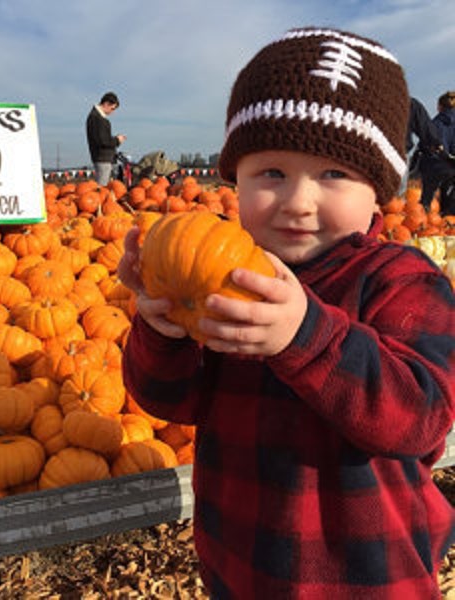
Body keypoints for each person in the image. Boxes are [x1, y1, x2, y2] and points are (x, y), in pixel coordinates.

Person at [119, 26, 455, 599]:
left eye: (333, 174)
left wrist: (305, 335)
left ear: (378, 191)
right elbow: (173, 401)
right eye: (271, 173)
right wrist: (162, 328)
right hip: (241, 566)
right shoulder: (224, 274)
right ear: (236, 181)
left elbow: (421, 416)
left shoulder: (400, 279)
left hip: (367, 577)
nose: (298, 201)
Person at [418, 91, 455, 211]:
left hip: (432, 169)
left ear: (439, 107)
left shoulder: (432, 124)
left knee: (426, 208)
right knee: (449, 209)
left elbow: (422, 146)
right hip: (451, 168)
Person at [85, 92, 127, 186]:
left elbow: (102, 138)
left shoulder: (95, 117)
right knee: (102, 187)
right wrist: (117, 140)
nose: (112, 112)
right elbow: (103, 141)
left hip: (102, 158)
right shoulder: (98, 118)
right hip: (102, 159)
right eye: (112, 108)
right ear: (106, 104)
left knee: (104, 187)